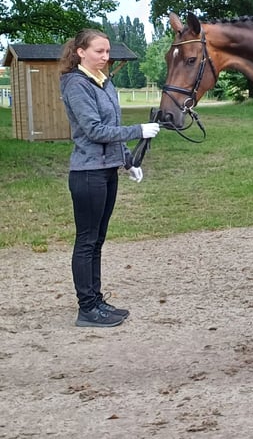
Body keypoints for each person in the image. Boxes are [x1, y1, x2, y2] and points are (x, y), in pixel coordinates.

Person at [59, 29, 160, 328]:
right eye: (99, 52)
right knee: (87, 241)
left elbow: (111, 126)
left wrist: (128, 161)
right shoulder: (76, 84)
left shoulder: (104, 83)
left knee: (97, 240)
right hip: (87, 173)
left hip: (106, 170)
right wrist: (138, 130)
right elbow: (94, 130)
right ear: (80, 52)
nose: (105, 57)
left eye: (107, 52)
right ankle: (86, 308)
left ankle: (96, 301)